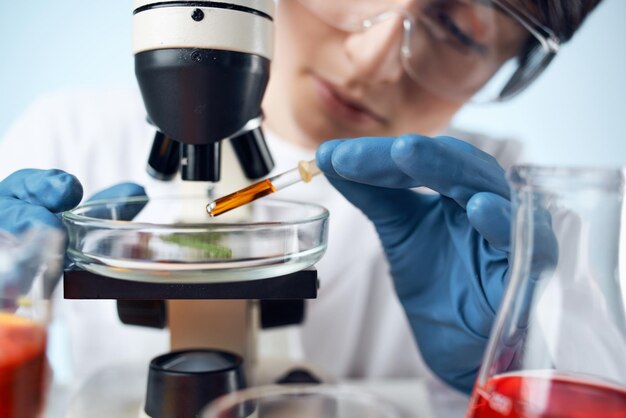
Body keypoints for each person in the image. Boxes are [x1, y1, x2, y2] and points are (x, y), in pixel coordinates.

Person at [0, 0, 602, 411]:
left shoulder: (518, 221)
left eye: (461, 30)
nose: (373, 62)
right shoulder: (65, 135)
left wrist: (503, 365)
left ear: (517, 65)